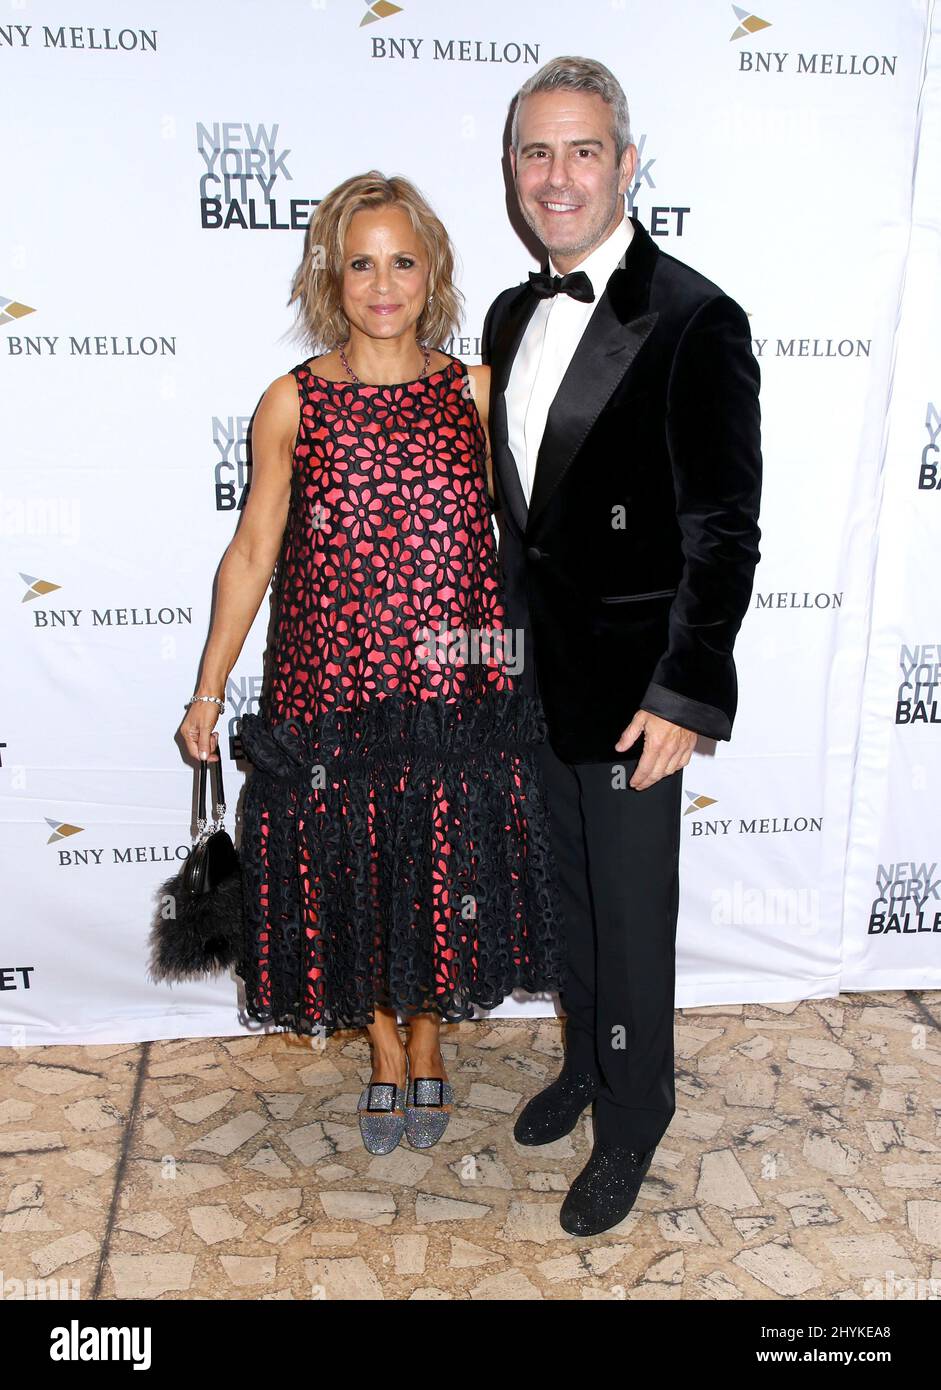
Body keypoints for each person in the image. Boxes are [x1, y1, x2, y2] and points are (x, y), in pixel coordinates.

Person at [178, 171, 563, 1156]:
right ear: (330, 275)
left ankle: (428, 1033)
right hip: (331, 687)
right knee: (347, 873)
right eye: (361, 262)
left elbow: (531, 541)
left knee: (438, 865)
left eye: (401, 260)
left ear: (430, 271)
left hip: (450, 688)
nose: (382, 282)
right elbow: (254, 551)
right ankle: (384, 1048)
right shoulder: (291, 403)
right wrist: (209, 686)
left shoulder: (476, 392)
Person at [482, 56, 763, 1235]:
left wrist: (684, 692)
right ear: (512, 172)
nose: (558, 175)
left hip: (638, 691)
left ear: (626, 164)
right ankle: (587, 1067)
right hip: (538, 679)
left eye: (581, 150)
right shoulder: (506, 312)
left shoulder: (695, 319)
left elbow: (723, 530)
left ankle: (633, 1112)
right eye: (536, 153)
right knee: (567, 904)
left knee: (631, 916)